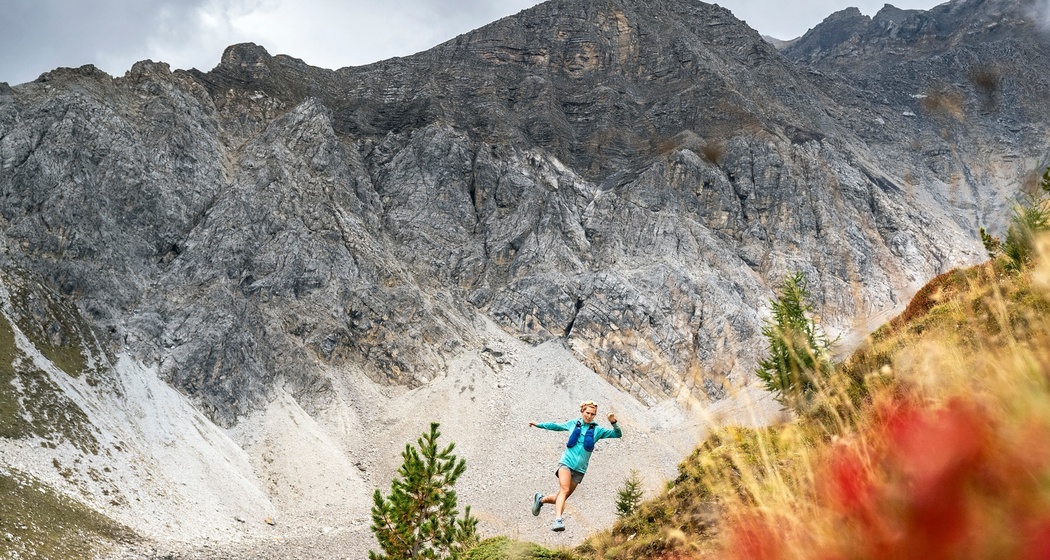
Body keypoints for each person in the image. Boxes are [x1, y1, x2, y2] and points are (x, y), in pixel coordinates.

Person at [529, 400, 622, 532]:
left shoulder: (598, 430)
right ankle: (558, 520)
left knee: (561, 496)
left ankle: (541, 500)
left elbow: (618, 434)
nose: (589, 416)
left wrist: (613, 422)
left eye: (592, 414)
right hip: (566, 463)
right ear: (582, 411)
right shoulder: (573, 423)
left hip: (580, 470)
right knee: (564, 490)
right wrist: (539, 425)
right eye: (587, 413)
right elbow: (556, 426)